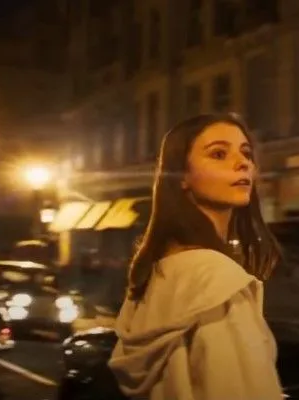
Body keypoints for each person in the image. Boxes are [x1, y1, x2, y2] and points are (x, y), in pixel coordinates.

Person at [108, 113, 283, 400]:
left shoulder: (158, 271)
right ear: (182, 177)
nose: (242, 163)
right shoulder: (218, 282)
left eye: (246, 153)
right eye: (219, 154)